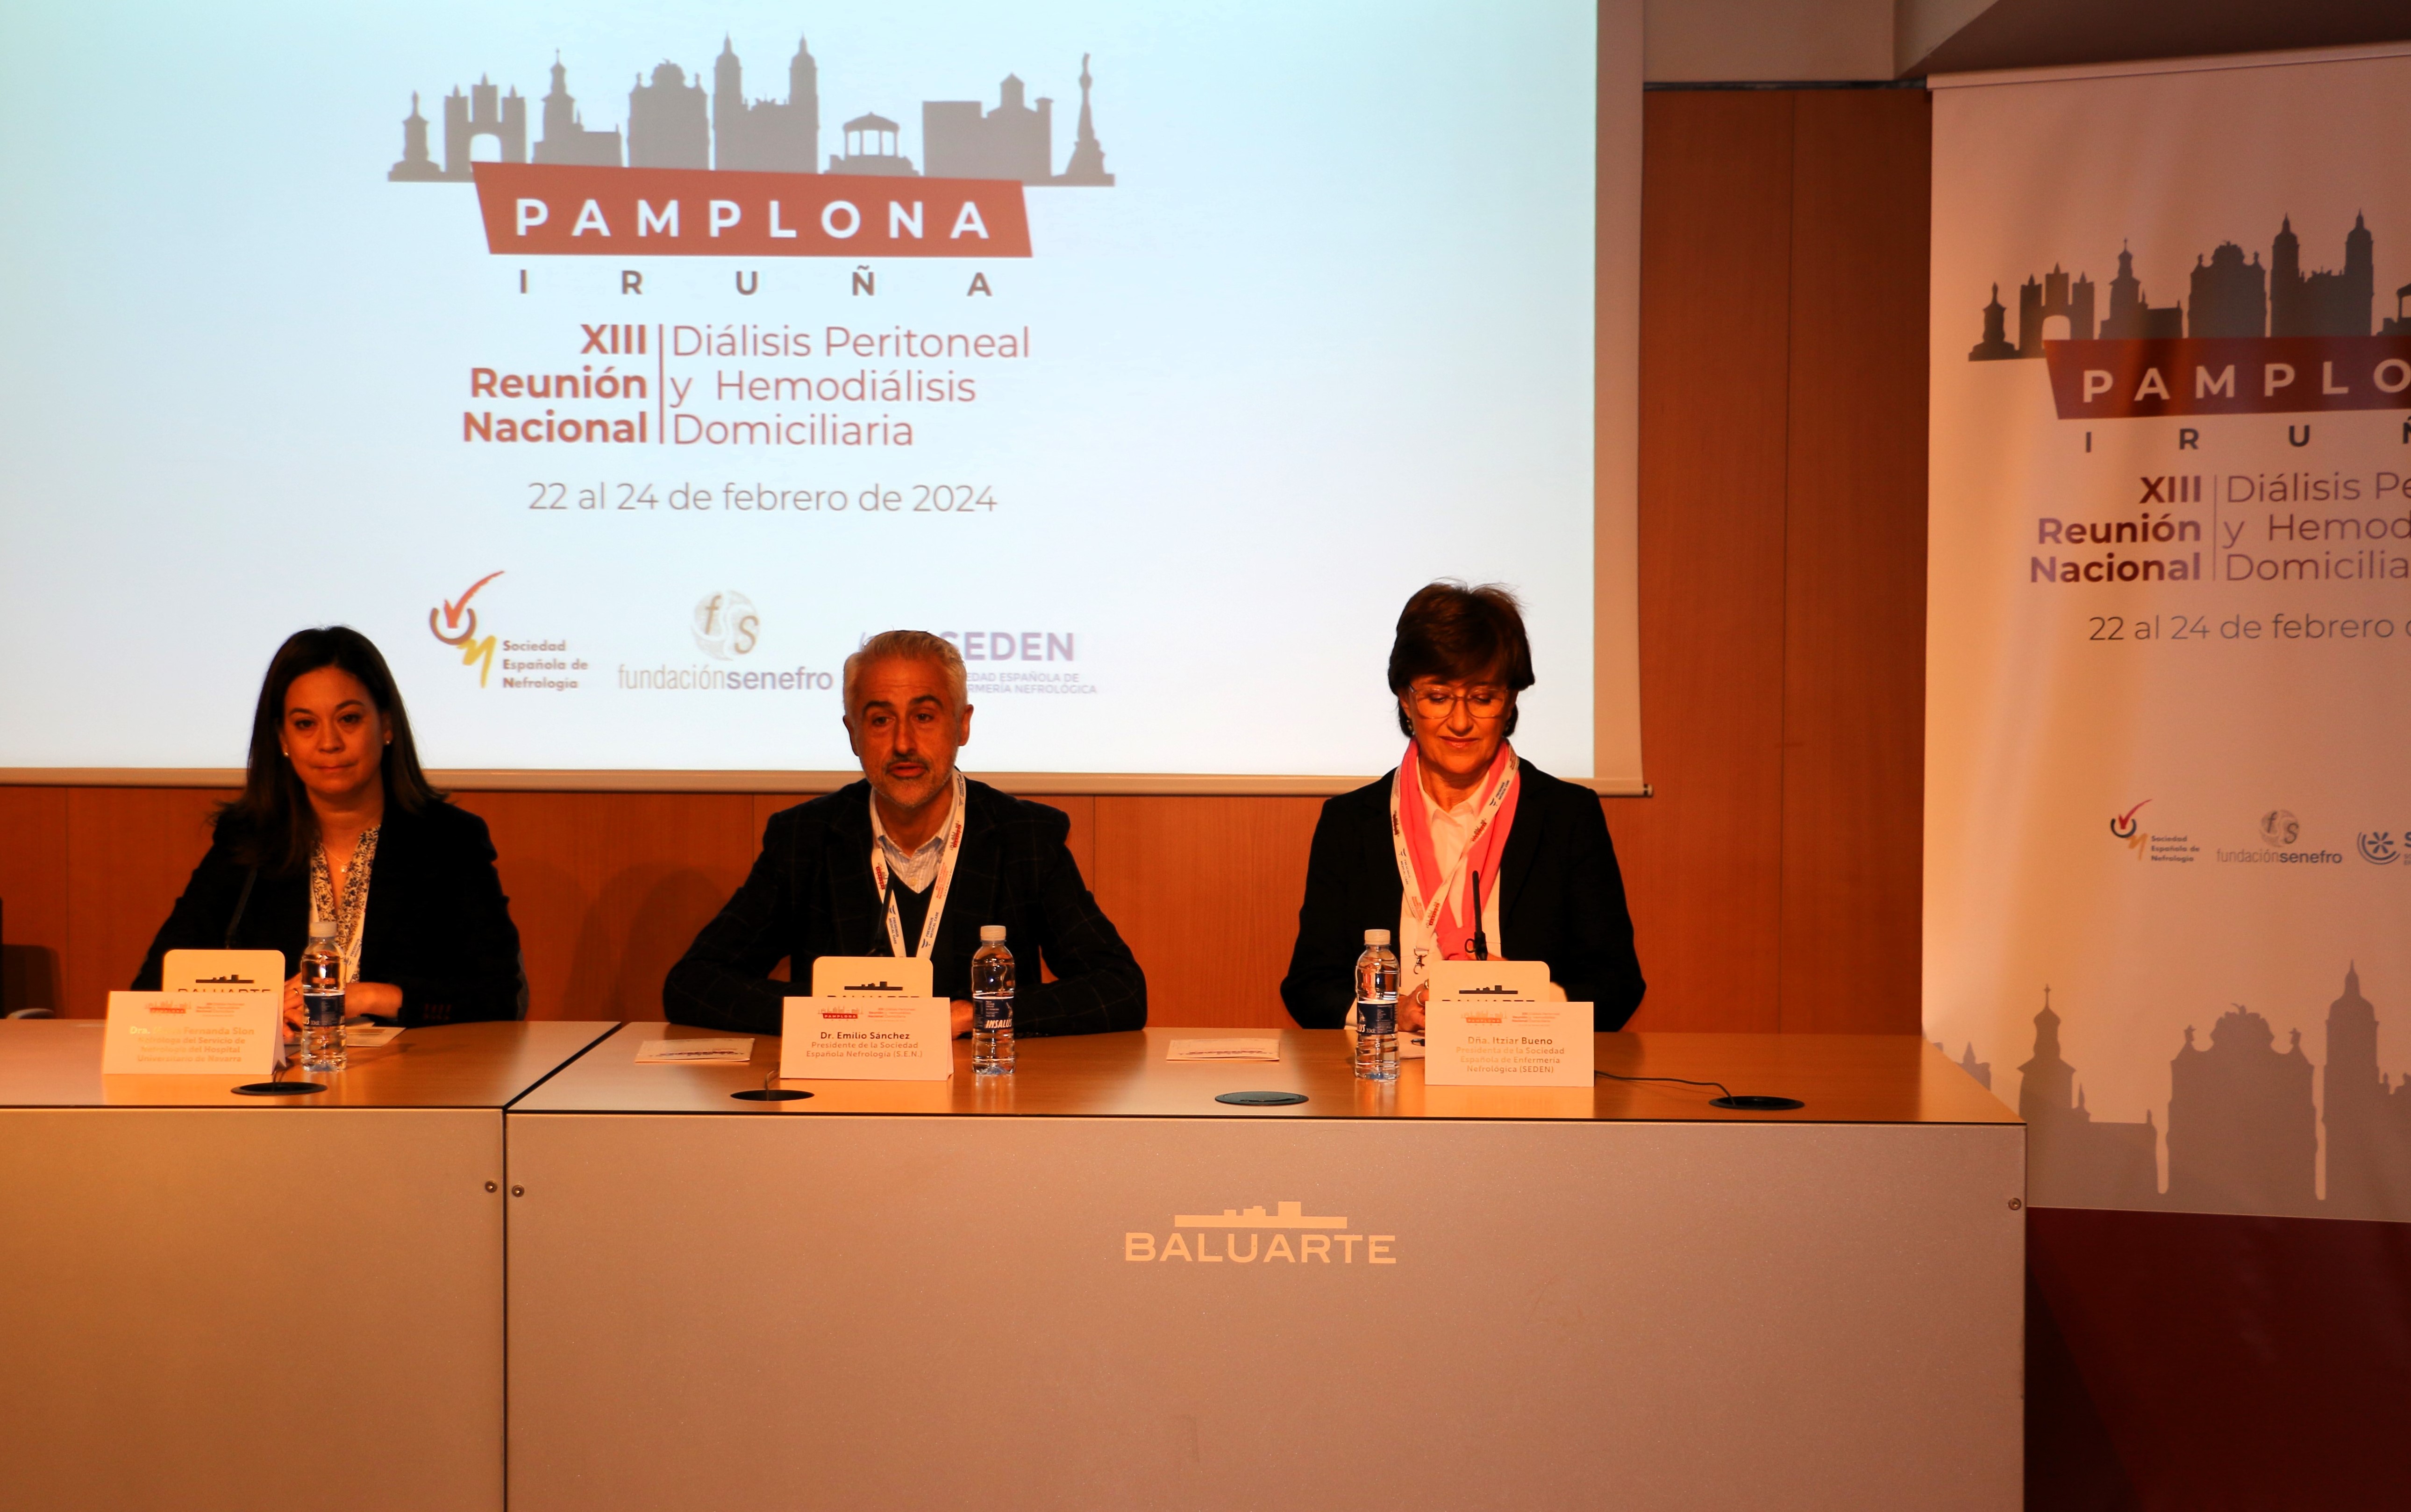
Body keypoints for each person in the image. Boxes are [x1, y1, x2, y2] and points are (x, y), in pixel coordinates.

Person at [665, 630, 1146, 1037]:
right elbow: (694, 983)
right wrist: (842, 1018)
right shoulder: (804, 839)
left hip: (984, 1092)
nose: (903, 743)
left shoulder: (1026, 837)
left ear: (962, 725)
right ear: (853, 733)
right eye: (880, 720)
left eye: (924, 716)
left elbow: (1120, 989)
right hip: (843, 1093)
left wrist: (976, 1014)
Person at [1282, 582, 1644, 1033]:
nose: (1459, 722)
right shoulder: (1352, 822)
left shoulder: (1567, 816)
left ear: (1510, 701)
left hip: (1524, 1063)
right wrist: (1390, 1013)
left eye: (1482, 698)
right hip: (1393, 1063)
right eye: (1438, 698)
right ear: (1406, 699)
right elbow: (1309, 986)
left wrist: (1533, 997)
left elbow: (1618, 985)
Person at [133, 627, 524, 1027]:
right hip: (282, 1065)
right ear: (283, 739)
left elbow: (498, 998)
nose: (329, 742)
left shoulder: (449, 841)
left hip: (411, 1064)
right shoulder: (248, 842)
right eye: (306, 724)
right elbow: (154, 988)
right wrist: (254, 1013)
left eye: (349, 719)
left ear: (387, 725)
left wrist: (371, 996)